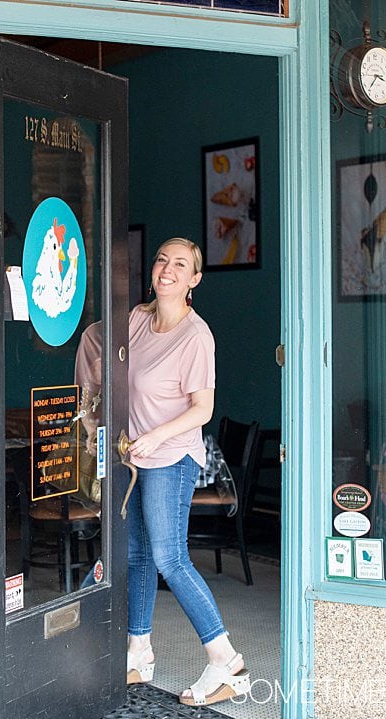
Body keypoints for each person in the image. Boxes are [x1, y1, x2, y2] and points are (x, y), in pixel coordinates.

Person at [125, 237, 248, 707]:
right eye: (161, 259)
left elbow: (203, 408)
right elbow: (101, 351)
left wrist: (155, 437)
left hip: (171, 458)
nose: (167, 268)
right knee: (136, 556)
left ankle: (226, 661)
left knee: (168, 559)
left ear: (194, 279)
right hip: (131, 457)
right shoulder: (136, 319)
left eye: (181, 264)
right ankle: (138, 654)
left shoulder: (197, 336)